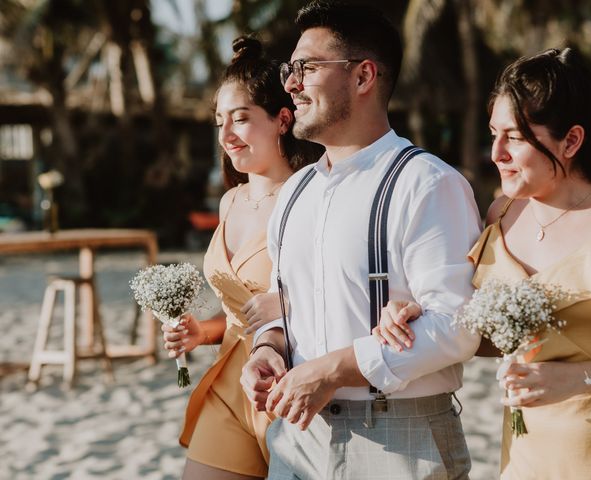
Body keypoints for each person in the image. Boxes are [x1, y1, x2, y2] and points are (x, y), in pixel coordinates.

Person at [239, 2, 481, 478]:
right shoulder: (294, 193)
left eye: (306, 68)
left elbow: (458, 325)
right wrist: (268, 349)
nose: (290, 83)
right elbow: (289, 308)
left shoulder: (426, 183)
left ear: (364, 76)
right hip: (298, 439)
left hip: (400, 438)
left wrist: (333, 370)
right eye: (290, 69)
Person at [374, 47, 591, 480]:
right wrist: (417, 313)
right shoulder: (501, 213)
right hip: (526, 454)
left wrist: (576, 379)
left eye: (514, 137)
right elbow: (483, 336)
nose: (496, 152)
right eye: (494, 133)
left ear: (571, 140)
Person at [161, 36, 322, 480]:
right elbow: (239, 311)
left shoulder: (314, 198)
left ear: (283, 120)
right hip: (230, 384)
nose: (226, 135)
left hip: (290, 388)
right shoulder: (230, 201)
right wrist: (202, 331)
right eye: (219, 122)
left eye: (241, 119)